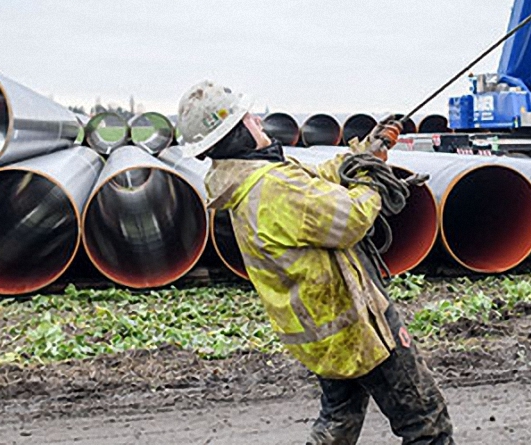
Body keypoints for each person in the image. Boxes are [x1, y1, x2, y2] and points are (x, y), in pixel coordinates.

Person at [176, 81, 454, 445]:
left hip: (323, 331)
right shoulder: (273, 187)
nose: (258, 120)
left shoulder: (250, 179)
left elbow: (316, 181)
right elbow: (352, 217)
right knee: (426, 422)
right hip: (357, 323)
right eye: (249, 119)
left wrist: (364, 152)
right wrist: (370, 175)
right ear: (236, 135)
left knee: (339, 420)